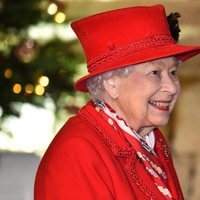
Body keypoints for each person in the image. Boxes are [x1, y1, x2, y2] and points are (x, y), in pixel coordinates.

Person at [34, 5, 200, 200]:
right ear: (111, 83)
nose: (171, 87)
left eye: (173, 73)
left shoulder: (150, 139)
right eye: (154, 73)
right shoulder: (77, 153)